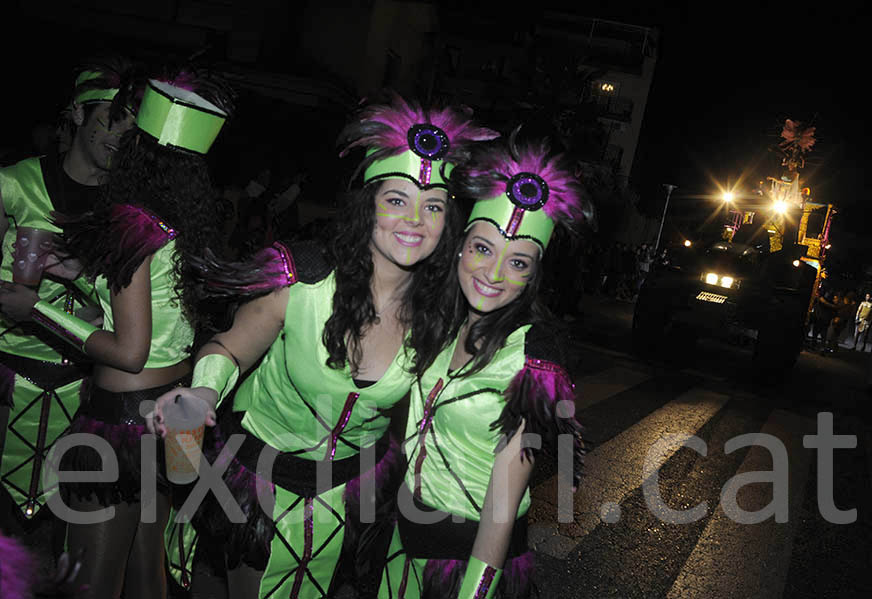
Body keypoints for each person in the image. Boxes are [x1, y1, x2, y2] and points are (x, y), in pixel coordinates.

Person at [146, 93, 498, 598]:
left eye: (433, 206)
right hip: (259, 487)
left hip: (347, 502)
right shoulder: (302, 278)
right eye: (397, 199)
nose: (414, 219)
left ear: (449, 225)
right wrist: (202, 394)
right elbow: (229, 348)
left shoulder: (443, 317)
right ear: (368, 204)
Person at [0, 67, 234, 598]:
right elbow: (155, 301)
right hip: (173, 417)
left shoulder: (131, 222)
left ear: (139, 152)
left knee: (94, 584)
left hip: (123, 423)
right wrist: (81, 270)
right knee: (147, 578)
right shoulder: (183, 220)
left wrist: (36, 309)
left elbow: (129, 351)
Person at [377, 136, 589, 599]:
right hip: (402, 545)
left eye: (517, 262)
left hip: (466, 563)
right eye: (482, 249)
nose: (493, 274)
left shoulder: (532, 366)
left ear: (533, 276)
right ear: (459, 249)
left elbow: (501, 511)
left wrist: (474, 592)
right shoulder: (438, 324)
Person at [0, 56, 142, 535]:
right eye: (109, 121)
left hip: (84, 385)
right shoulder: (16, 182)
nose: (117, 137)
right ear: (79, 115)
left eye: (128, 128)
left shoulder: (125, 212)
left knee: (61, 529)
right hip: (8, 369)